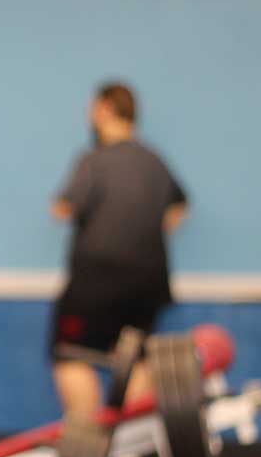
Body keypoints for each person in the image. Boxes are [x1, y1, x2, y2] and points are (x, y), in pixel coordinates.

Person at [50, 82, 188, 433]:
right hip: (147, 282)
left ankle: (83, 451)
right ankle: (123, 453)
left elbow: (64, 209)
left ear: (105, 109)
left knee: (70, 355)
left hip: (94, 283)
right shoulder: (154, 161)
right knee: (137, 360)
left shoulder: (94, 161)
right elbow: (179, 207)